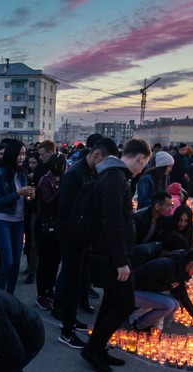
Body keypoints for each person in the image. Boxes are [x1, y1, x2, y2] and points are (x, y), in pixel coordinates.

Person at [81, 138, 152, 372]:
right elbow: (112, 224)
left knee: (111, 301)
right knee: (124, 303)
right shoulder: (114, 178)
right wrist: (121, 261)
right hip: (111, 255)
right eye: (143, 164)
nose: (142, 169)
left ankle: (97, 347)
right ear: (141, 158)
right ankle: (93, 348)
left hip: (111, 252)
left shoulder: (114, 176)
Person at [55, 137, 118, 349]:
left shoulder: (90, 171)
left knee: (78, 280)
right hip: (71, 237)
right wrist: (73, 235)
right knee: (72, 282)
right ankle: (66, 330)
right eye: (105, 160)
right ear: (97, 154)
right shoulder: (74, 174)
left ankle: (70, 319)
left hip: (81, 236)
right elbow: (65, 211)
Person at [129, 248, 193, 332]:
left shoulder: (181, 272)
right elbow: (140, 281)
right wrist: (166, 287)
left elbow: (184, 298)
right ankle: (138, 325)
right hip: (128, 292)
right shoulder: (167, 265)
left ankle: (142, 324)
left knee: (175, 304)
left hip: (141, 293)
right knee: (169, 304)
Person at [0, 139, 35, 295]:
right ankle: (0, 295)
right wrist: (17, 194)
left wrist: (30, 195)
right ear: (11, 154)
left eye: (23, 154)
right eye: (19, 154)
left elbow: (25, 198)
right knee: (7, 261)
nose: (22, 157)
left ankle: (9, 296)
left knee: (16, 262)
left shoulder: (22, 173)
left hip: (19, 220)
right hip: (2, 220)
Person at [34, 154, 66, 311]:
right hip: (46, 225)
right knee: (45, 262)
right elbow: (47, 204)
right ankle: (42, 294)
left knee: (55, 261)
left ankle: (49, 289)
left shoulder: (61, 180)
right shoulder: (45, 181)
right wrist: (62, 191)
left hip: (58, 225)